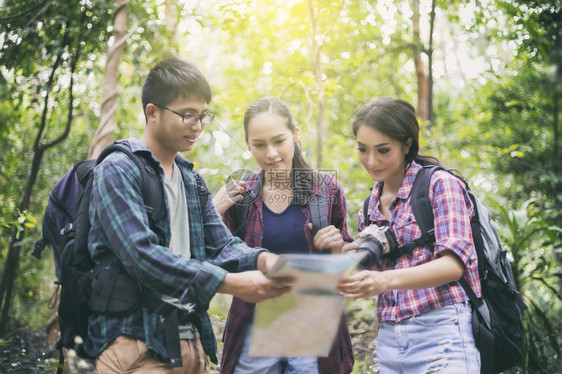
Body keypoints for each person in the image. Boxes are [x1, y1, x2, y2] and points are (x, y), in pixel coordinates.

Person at [84, 58, 291, 374]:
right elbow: (142, 256)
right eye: (187, 114)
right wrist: (231, 283)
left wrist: (265, 261)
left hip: (188, 339)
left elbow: (221, 246)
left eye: (203, 115)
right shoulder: (118, 171)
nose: (197, 125)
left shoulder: (191, 181)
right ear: (152, 112)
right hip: (134, 342)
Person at [337, 97, 481, 373]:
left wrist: (383, 280)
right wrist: (347, 256)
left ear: (406, 144)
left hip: (441, 334)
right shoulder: (369, 206)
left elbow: (453, 265)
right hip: (389, 342)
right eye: (362, 149)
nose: (371, 161)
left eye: (382, 150)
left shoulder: (439, 185)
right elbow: (380, 271)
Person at [215, 96, 355, 374]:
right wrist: (214, 211)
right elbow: (217, 258)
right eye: (259, 144)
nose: (270, 153)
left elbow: (347, 268)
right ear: (247, 144)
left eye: (279, 141)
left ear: (296, 133)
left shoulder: (325, 189)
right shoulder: (241, 195)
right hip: (252, 330)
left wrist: (337, 250)